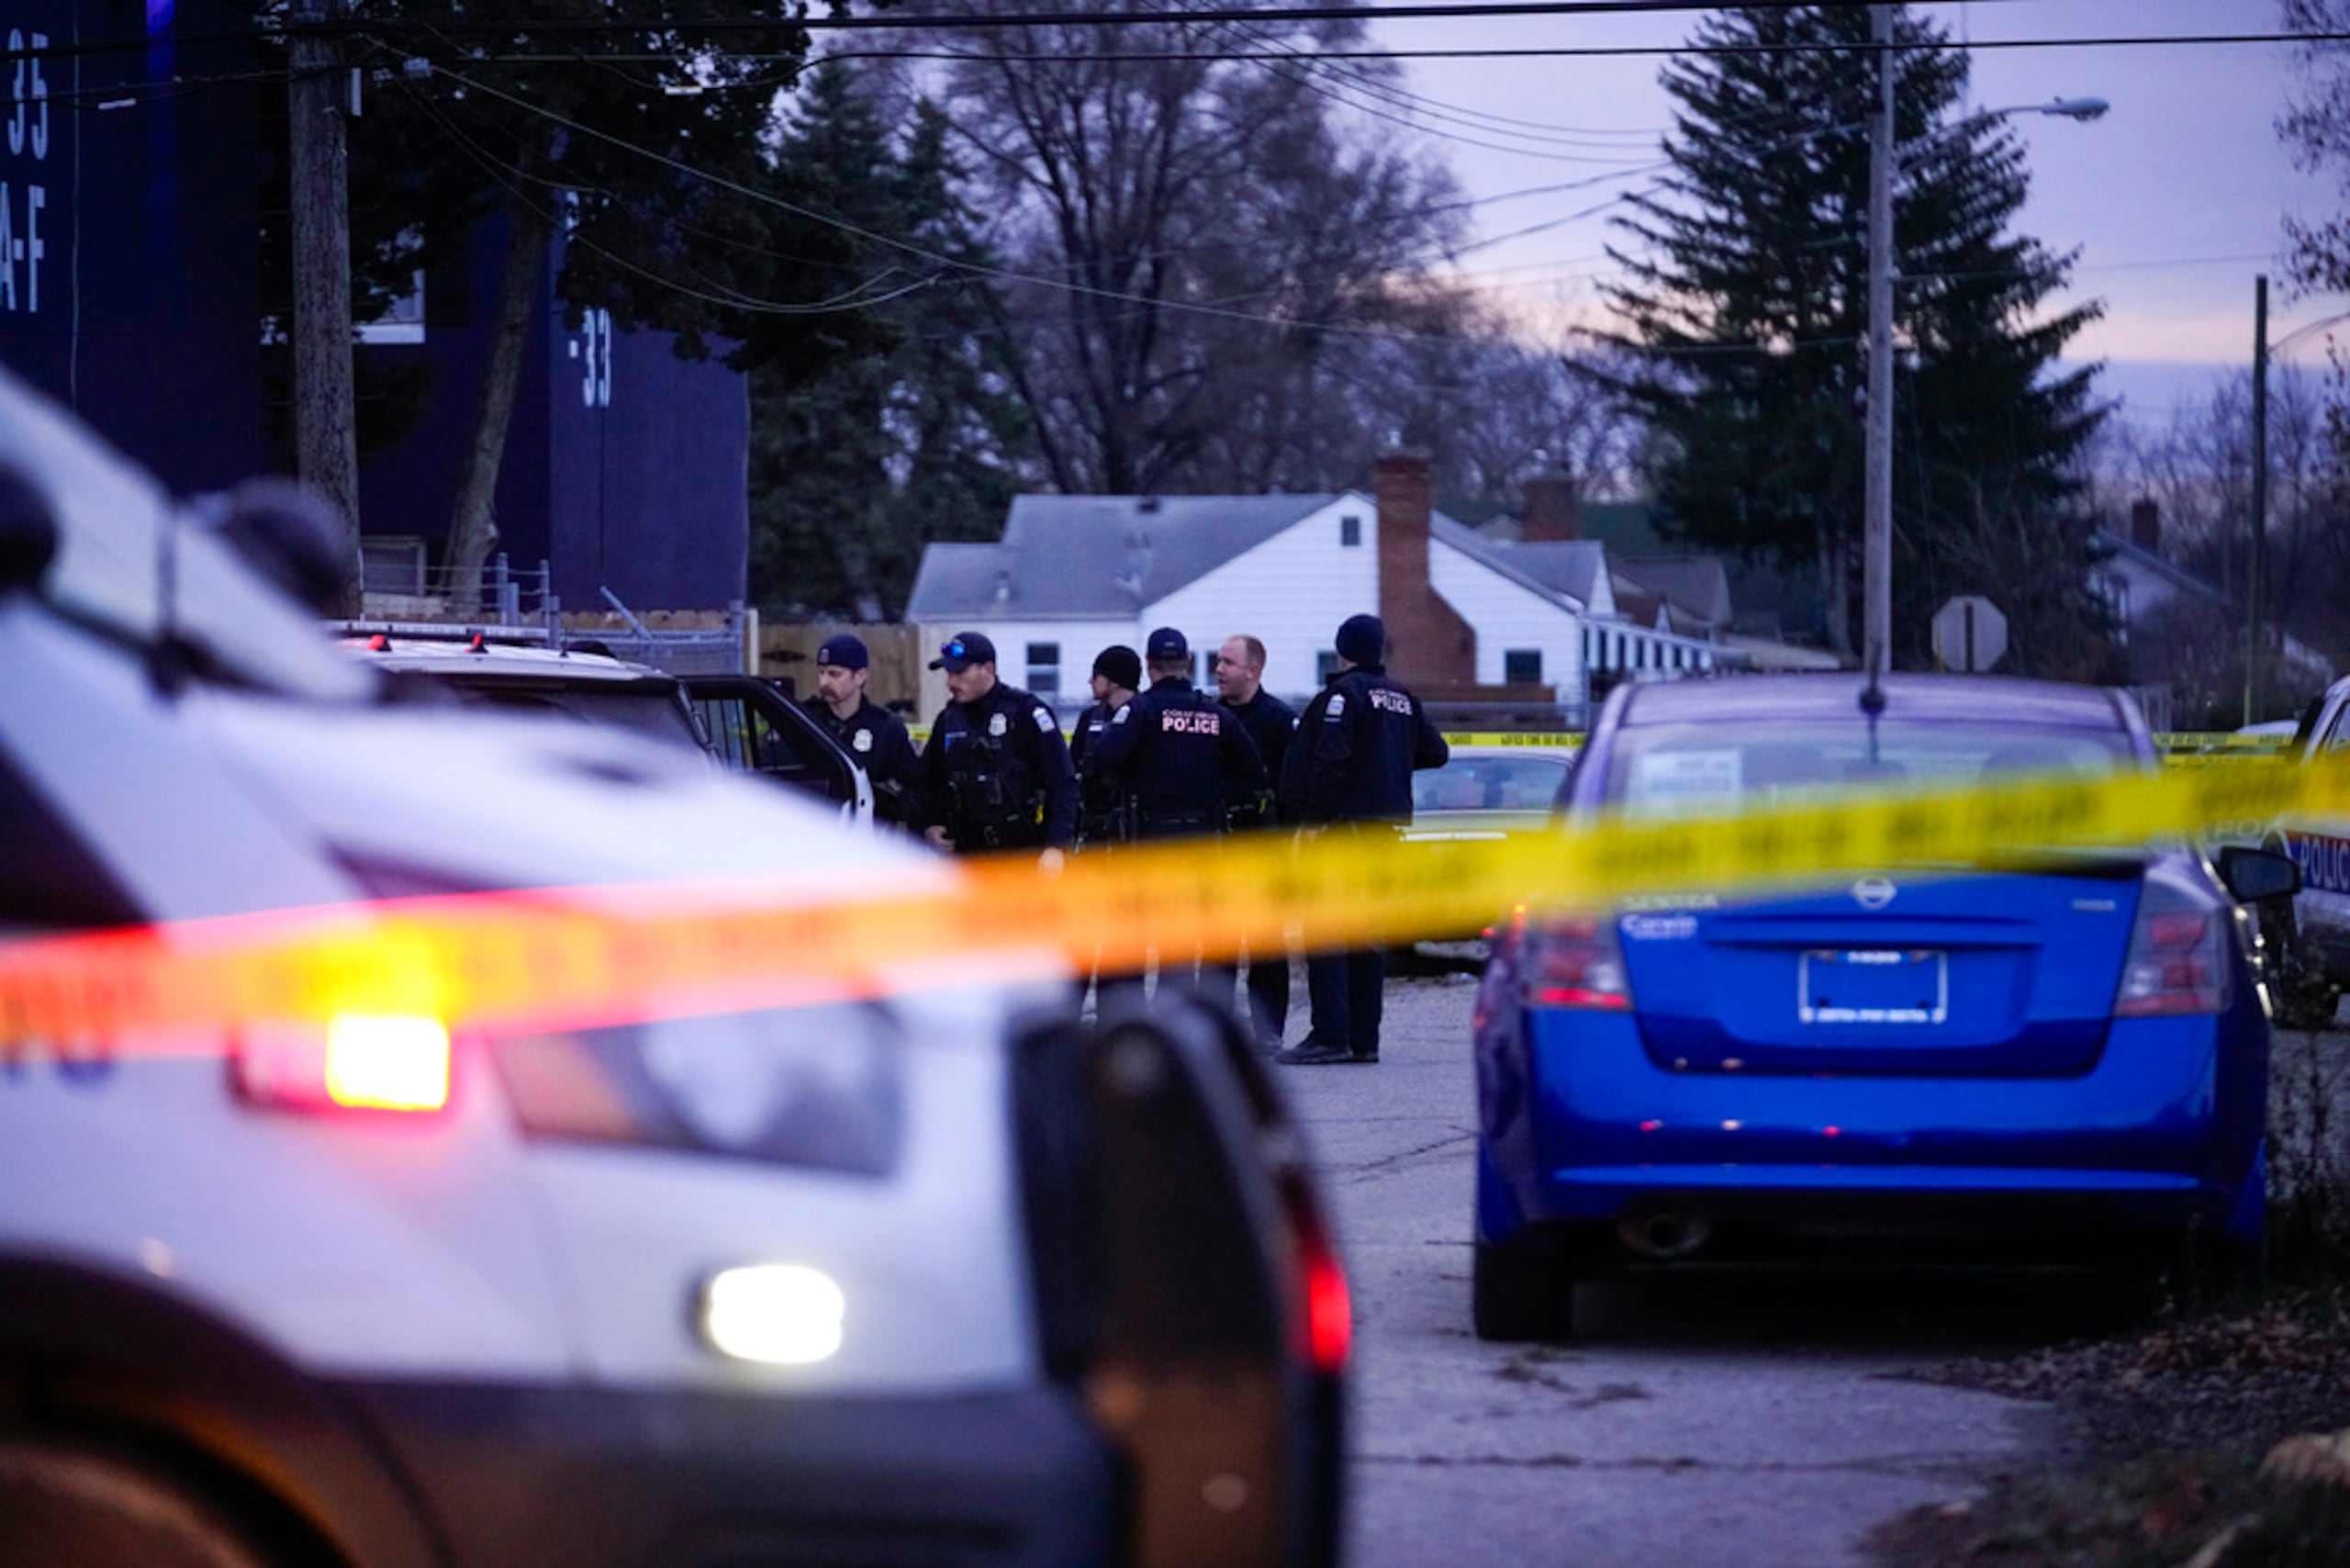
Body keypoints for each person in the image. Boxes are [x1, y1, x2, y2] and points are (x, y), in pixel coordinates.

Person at [1276, 613, 1448, 1066]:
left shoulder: (1343, 695)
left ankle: (1330, 1036)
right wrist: (1387, 764)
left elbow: (1329, 762)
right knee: (1368, 935)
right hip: (1385, 834)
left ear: (1343, 648)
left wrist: (1313, 821)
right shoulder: (1403, 697)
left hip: (1343, 831)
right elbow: (1436, 751)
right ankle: (1364, 1038)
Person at [1086, 626, 1268, 987]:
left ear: (1149, 664)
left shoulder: (1141, 709)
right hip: (1207, 845)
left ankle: (1155, 1030)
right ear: (1186, 662)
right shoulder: (1215, 715)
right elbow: (1253, 770)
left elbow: (1101, 758)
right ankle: (1200, 1025)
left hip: (1151, 844)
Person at [913, 631, 1078, 863]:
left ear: (988, 670)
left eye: (960, 672)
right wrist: (930, 824)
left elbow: (1062, 783)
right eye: (949, 673)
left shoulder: (1025, 713)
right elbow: (928, 781)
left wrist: (1056, 846)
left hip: (1021, 856)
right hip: (967, 858)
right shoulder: (949, 720)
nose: (951, 682)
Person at [1216, 633, 1298, 1050]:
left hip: (1264, 849)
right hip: (1218, 848)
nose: (1218, 670)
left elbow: (1294, 787)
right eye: (1218, 662)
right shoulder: (1208, 716)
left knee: (1266, 947)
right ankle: (1217, 1032)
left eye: (1228, 662)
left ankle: (1268, 1034)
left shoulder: (1279, 721)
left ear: (1253, 669)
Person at [800, 632, 920, 824]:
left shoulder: (885, 728)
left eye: (834, 674)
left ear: (860, 676)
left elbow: (915, 788)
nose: (824, 682)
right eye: (821, 672)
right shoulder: (803, 721)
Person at [1069, 644, 1142, 848]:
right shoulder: (1090, 717)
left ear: (1114, 680)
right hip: (1094, 826)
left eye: (1096, 675)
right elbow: (1074, 767)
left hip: (1133, 828)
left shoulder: (1145, 715)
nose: (1090, 682)